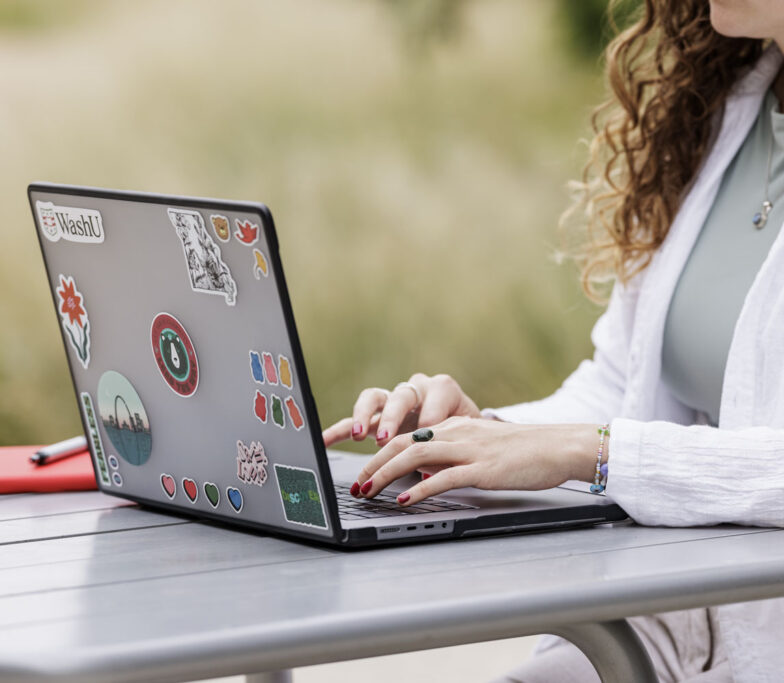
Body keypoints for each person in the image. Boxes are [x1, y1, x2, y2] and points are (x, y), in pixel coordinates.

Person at [322, 1, 784, 681]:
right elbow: (624, 384)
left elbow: (607, 442)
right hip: (668, 627)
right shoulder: (726, 110)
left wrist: (588, 451)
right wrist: (482, 437)